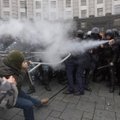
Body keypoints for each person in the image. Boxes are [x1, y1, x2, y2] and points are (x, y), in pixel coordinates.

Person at [0, 50, 49, 120]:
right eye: (22, 62)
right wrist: (24, 69)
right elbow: (18, 82)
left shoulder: (9, 62)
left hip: (13, 89)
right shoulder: (5, 72)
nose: (23, 63)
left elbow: (17, 64)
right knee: (28, 105)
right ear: (17, 63)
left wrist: (26, 63)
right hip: (5, 95)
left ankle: (38, 103)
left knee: (26, 96)